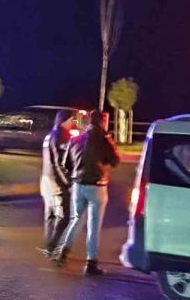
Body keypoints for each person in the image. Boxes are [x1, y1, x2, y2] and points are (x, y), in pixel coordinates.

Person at [54, 109, 120, 275]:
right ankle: (91, 263)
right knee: (94, 225)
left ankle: (62, 253)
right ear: (102, 122)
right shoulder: (103, 139)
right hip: (97, 186)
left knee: (75, 220)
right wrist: (109, 140)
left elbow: (65, 163)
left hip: (78, 185)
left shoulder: (76, 138)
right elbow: (115, 160)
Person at [38, 111, 72, 258]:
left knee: (50, 217)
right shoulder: (61, 136)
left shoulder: (49, 136)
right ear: (63, 121)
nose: (72, 123)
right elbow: (59, 163)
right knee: (63, 217)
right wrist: (67, 182)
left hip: (45, 182)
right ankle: (52, 247)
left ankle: (48, 245)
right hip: (56, 184)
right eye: (71, 120)